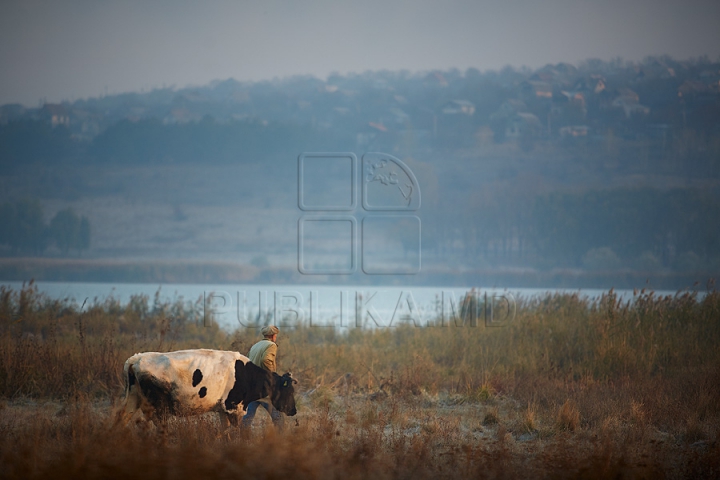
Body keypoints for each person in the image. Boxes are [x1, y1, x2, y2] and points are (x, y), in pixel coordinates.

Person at [242, 325, 283, 428]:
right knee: (278, 416)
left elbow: (246, 361)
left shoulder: (255, 346)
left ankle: (243, 439)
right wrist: (272, 375)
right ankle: (282, 439)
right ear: (273, 336)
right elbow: (266, 360)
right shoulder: (271, 345)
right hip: (264, 387)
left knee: (248, 416)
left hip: (251, 386)